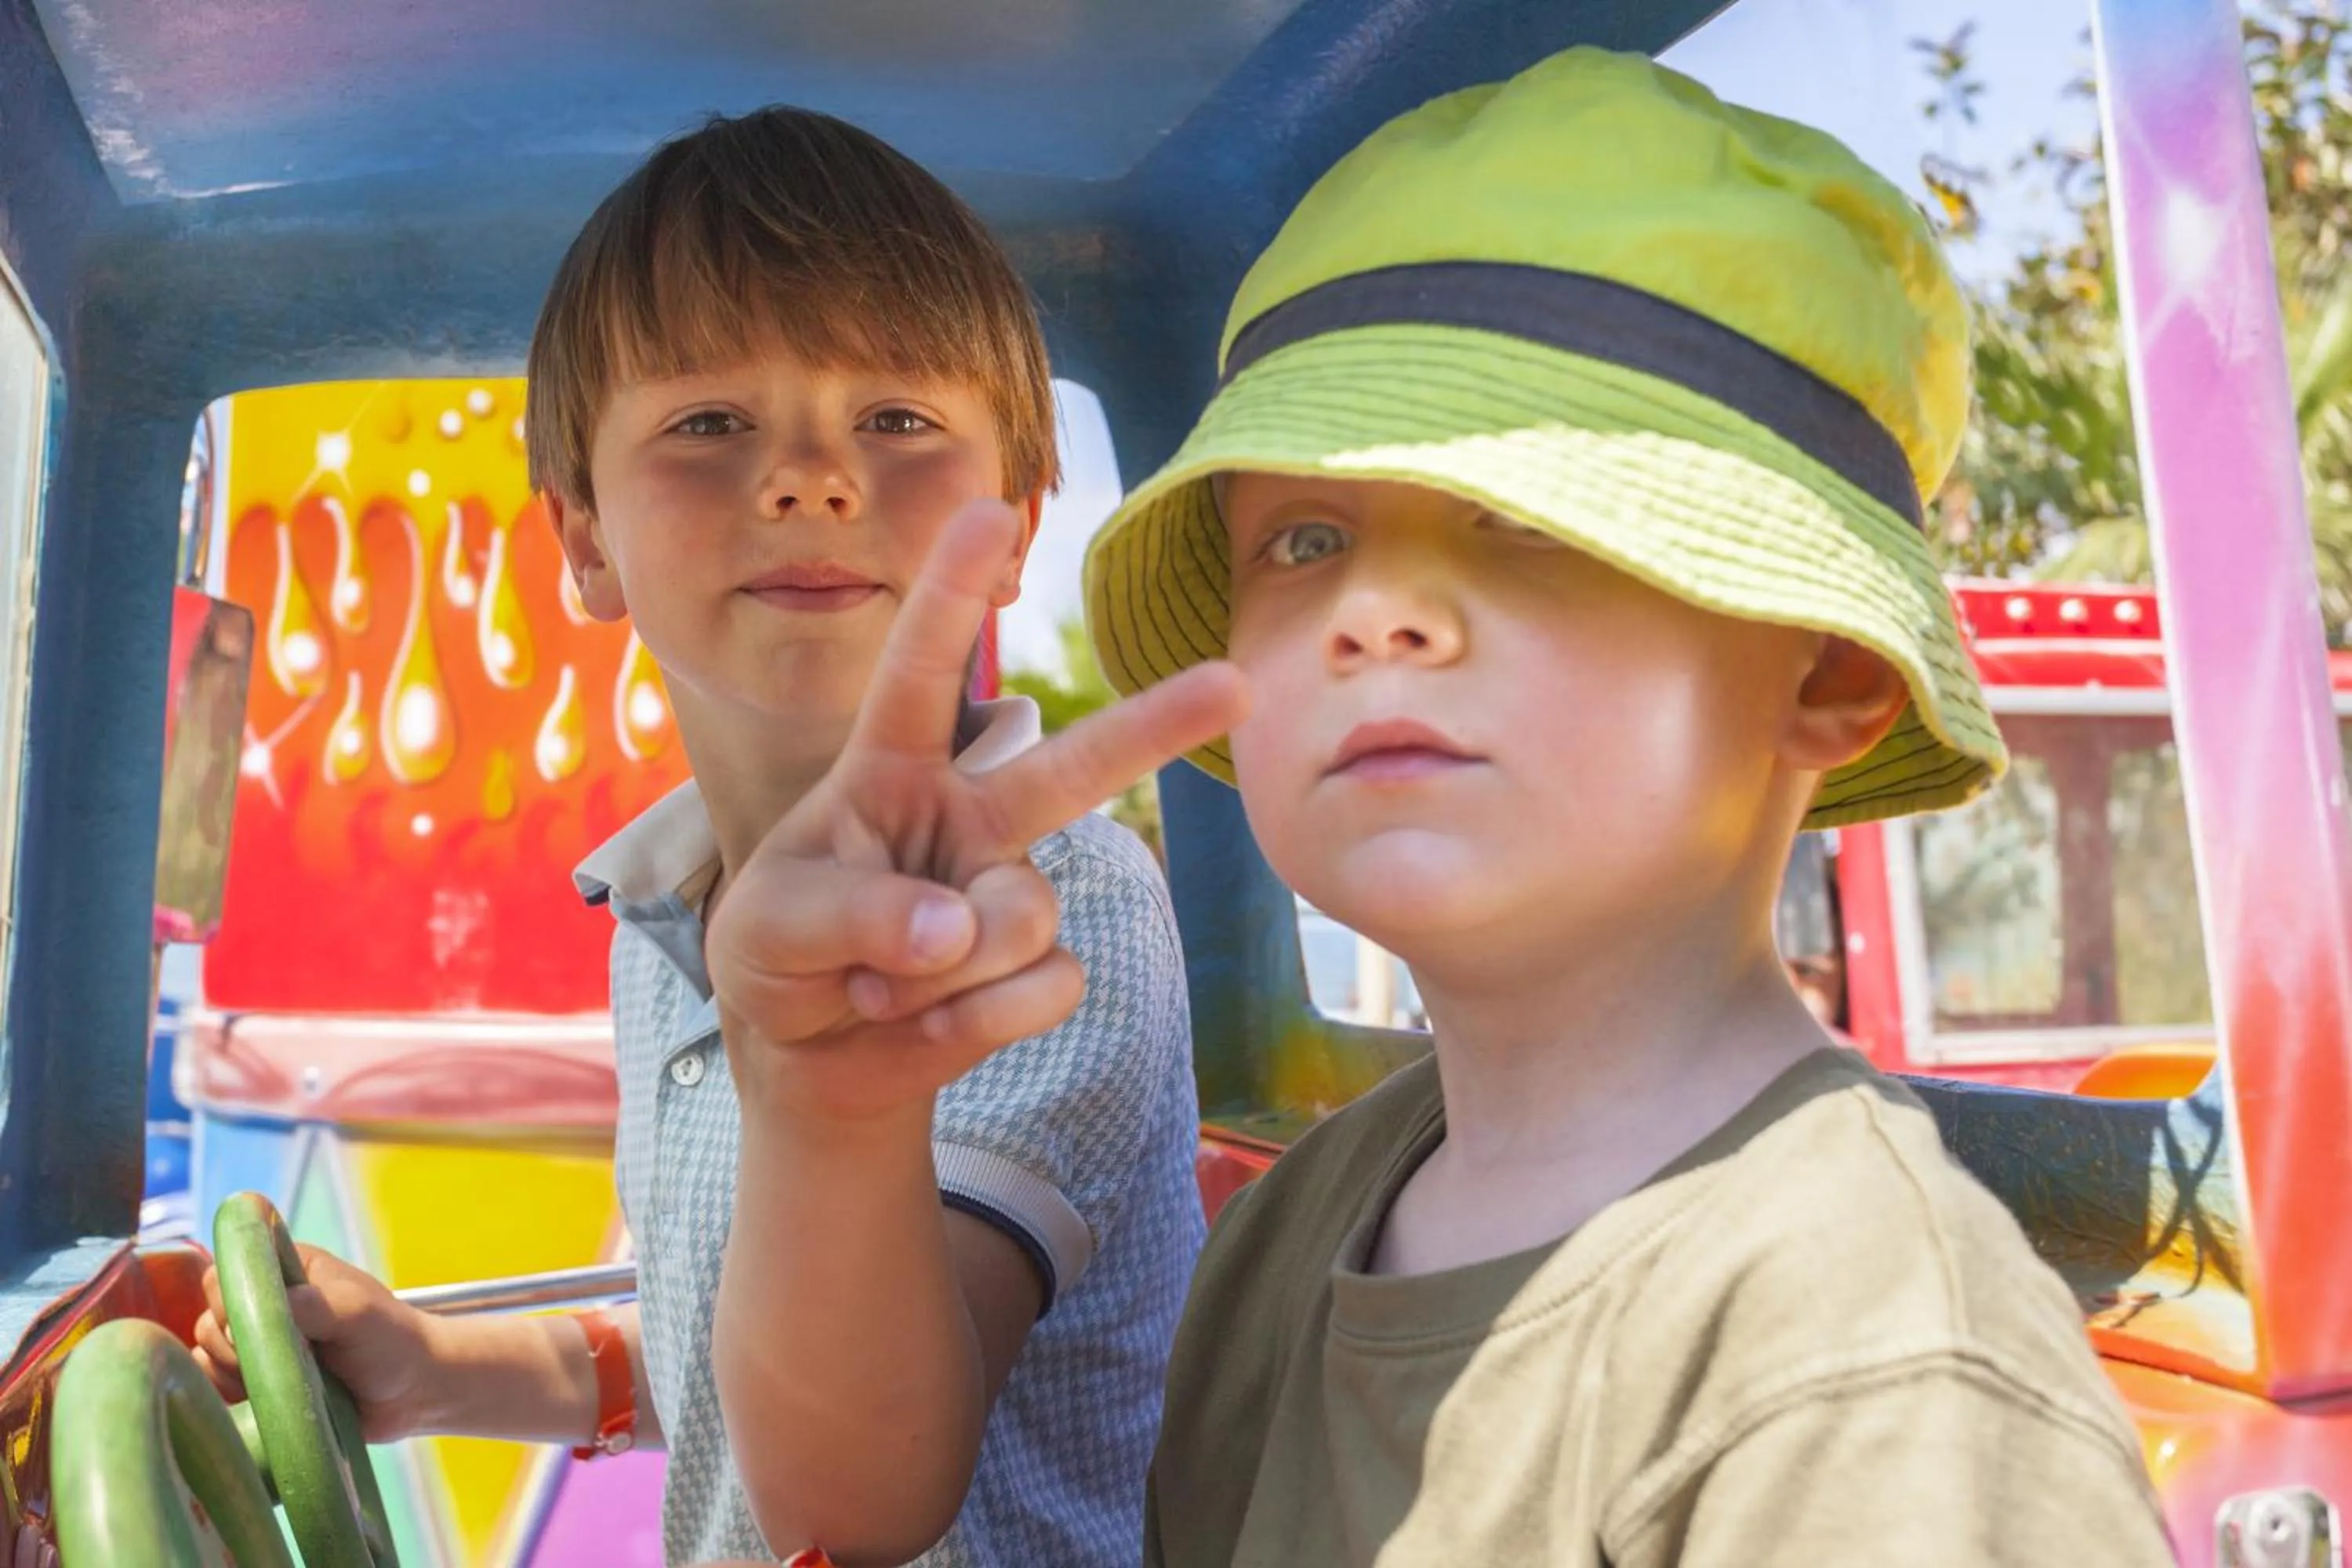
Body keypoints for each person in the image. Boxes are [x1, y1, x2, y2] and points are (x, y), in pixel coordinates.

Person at [1076, 46, 2179, 1564]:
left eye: (1525, 523)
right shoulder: (1292, 1230)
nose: (1378, 609)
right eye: (1307, 535)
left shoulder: (1872, 1380)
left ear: (1833, 668)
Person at [194, 105, 1240, 1566]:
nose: (810, 477)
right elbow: (726, 1356)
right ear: (585, 544)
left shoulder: (1044, 901)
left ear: (1011, 525)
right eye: (709, 424)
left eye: (896, 421)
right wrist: (438, 1369)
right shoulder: (656, 924)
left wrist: (825, 1100)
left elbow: (857, 1485)